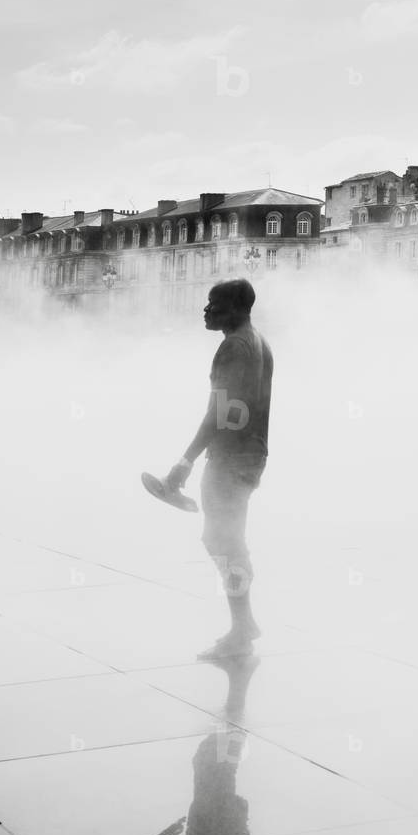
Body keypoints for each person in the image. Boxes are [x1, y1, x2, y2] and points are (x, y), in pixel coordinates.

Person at [163, 279, 273, 660]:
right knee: (227, 540)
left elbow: (220, 412)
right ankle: (243, 623)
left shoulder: (232, 348)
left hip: (229, 457)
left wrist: (185, 462)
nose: (206, 310)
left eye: (215, 304)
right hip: (252, 453)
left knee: (223, 541)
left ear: (237, 308)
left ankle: (242, 630)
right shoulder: (260, 343)